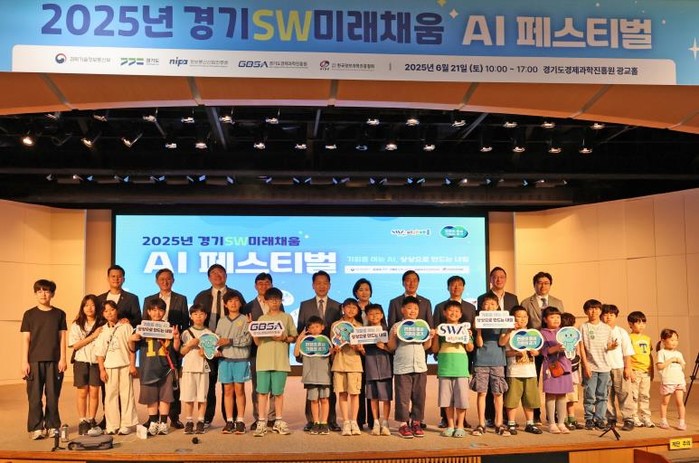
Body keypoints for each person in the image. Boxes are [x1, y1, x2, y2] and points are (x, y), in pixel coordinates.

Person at [193, 264, 246, 428]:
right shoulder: (201, 296)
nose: (217, 276)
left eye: (220, 272)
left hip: (230, 347)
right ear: (209, 277)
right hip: (208, 345)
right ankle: (207, 418)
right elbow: (195, 319)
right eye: (213, 273)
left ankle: (231, 419)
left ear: (226, 275)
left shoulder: (236, 295)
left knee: (230, 385)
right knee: (208, 383)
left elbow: (244, 318)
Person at [20, 279, 67, 440]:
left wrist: (63, 358)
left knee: (53, 396)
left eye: (46, 291)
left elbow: (62, 338)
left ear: (52, 294)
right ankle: (37, 427)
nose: (43, 294)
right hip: (34, 361)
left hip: (54, 361)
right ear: (35, 293)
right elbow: (26, 339)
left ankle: (53, 425)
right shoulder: (29, 314)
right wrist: (24, 361)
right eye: (39, 291)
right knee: (34, 396)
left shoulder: (59, 314)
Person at [143, 268, 189, 429]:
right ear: (157, 281)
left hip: (172, 346)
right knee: (154, 384)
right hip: (153, 348)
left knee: (172, 383)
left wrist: (179, 342)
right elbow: (144, 322)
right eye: (162, 279)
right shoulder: (149, 299)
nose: (165, 282)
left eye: (168, 279)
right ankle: (153, 418)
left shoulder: (181, 299)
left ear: (173, 280)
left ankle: (174, 417)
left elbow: (185, 323)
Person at [296, 271, 342, 432]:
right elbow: (301, 329)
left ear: (329, 285)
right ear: (313, 285)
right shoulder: (305, 305)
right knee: (312, 388)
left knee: (329, 387)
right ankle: (312, 420)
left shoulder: (337, 305)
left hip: (331, 352)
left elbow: (339, 329)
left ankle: (331, 420)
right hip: (311, 353)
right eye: (318, 283)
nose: (321, 286)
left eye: (325, 283)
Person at [129, 298, 181, 436]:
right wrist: (131, 339)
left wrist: (176, 338)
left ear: (164, 311)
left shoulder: (169, 328)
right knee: (150, 397)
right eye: (153, 310)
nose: (157, 313)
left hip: (166, 368)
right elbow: (132, 348)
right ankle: (153, 422)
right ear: (148, 311)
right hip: (148, 368)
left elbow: (176, 349)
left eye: (160, 310)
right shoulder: (141, 328)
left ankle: (163, 423)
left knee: (165, 396)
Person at [520, 271, 564, 424]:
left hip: (553, 348)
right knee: (534, 381)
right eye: (539, 282)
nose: (543, 285)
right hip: (534, 347)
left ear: (550, 285)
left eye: (546, 283)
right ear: (534, 284)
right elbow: (523, 325)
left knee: (555, 379)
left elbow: (561, 325)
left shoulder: (558, 302)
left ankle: (554, 415)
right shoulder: (526, 302)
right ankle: (536, 414)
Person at [387, 296, 434, 439]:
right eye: (409, 308)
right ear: (402, 310)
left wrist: (430, 337)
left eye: (415, 309)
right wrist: (393, 336)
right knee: (403, 396)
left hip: (420, 366)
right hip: (402, 367)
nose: (412, 311)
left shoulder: (422, 326)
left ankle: (416, 423)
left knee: (419, 396)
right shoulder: (397, 326)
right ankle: (403, 424)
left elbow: (426, 346)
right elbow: (391, 347)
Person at [253, 287, 298, 437]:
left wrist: (284, 338)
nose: (274, 302)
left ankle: (278, 421)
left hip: (280, 361)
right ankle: (261, 422)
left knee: (278, 393)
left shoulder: (287, 317)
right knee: (262, 393)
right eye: (271, 299)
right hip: (263, 361)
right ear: (265, 301)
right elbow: (257, 342)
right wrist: (253, 331)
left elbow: (293, 337)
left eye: (277, 299)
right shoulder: (261, 319)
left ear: (281, 301)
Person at [433, 275, 476, 428]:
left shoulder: (470, 307)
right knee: (445, 395)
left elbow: (471, 337)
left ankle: (461, 422)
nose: (456, 287)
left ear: (463, 287)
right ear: (448, 287)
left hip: (462, 359)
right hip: (445, 357)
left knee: (461, 394)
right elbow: (436, 330)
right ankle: (446, 420)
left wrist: (468, 337)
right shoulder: (439, 307)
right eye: (453, 284)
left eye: (459, 284)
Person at [477, 267, 518, 427]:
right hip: (483, 354)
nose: (498, 279)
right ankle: (487, 418)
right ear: (490, 279)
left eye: (502, 277)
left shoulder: (513, 298)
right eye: (495, 277)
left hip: (502, 349)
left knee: (499, 388)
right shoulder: (482, 297)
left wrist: (510, 329)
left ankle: (502, 419)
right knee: (483, 390)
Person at [242, 272, 283, 430]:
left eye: (267, 283)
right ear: (255, 286)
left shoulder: (278, 305)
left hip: (275, 350)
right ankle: (258, 418)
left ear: (271, 285)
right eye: (260, 283)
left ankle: (272, 417)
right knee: (258, 386)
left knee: (275, 386)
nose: (263, 286)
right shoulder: (248, 307)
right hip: (256, 351)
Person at [95, 300, 138, 436]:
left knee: (127, 395)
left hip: (125, 365)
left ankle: (126, 424)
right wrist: (101, 370)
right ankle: (112, 425)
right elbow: (100, 353)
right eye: (106, 311)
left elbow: (132, 348)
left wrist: (132, 365)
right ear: (103, 314)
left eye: (112, 310)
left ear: (117, 310)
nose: (109, 313)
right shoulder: (102, 330)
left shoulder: (126, 327)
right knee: (110, 396)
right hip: (109, 367)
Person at [470, 293, 510, 437]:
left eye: (492, 304)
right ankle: (481, 423)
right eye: (486, 304)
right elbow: (479, 343)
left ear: (497, 306)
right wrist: (479, 330)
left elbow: (502, 342)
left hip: (498, 360)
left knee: (498, 393)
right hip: (481, 360)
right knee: (481, 392)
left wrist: (509, 331)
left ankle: (499, 423)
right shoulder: (478, 320)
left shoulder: (502, 321)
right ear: (482, 306)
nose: (489, 307)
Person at [216, 291, 252, 435]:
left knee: (239, 390)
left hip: (240, 359)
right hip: (225, 360)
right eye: (230, 301)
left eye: (236, 300)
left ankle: (240, 420)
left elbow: (247, 340)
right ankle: (229, 421)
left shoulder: (246, 319)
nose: (233, 303)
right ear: (225, 304)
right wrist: (216, 349)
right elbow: (216, 339)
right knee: (227, 391)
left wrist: (229, 341)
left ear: (240, 303)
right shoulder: (221, 321)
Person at [502, 306, 542, 435]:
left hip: (530, 372)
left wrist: (535, 352)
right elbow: (503, 349)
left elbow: (538, 351)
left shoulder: (532, 334)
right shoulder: (509, 333)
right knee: (512, 399)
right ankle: (511, 423)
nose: (522, 319)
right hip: (514, 371)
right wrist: (515, 353)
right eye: (519, 316)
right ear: (513, 318)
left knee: (530, 399)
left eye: (525, 316)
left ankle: (530, 423)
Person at [68, 294, 105, 435]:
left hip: (96, 362)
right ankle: (82, 420)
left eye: (92, 305)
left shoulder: (102, 324)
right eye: (86, 305)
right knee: (82, 392)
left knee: (94, 392)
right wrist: (93, 336)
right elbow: (75, 345)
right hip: (81, 361)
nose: (89, 308)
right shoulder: (77, 324)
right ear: (82, 307)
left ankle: (91, 419)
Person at [331, 298, 365, 436]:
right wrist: (335, 348)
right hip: (339, 363)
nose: (351, 310)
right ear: (343, 308)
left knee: (355, 394)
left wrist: (359, 348)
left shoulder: (360, 327)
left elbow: (363, 349)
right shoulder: (335, 325)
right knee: (342, 393)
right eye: (348, 307)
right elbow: (333, 345)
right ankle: (346, 422)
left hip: (354, 364)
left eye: (354, 308)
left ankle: (354, 421)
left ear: (357, 310)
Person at [293, 315, 332, 436]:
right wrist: (300, 338)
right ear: (308, 329)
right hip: (310, 377)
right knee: (314, 400)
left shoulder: (326, 341)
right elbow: (296, 354)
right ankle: (316, 422)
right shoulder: (305, 342)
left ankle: (324, 423)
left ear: (322, 327)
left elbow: (332, 356)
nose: (314, 329)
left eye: (317, 326)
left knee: (324, 399)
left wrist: (333, 352)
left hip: (324, 376)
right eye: (312, 327)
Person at [179, 304, 213, 435]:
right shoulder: (186, 333)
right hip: (188, 368)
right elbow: (182, 351)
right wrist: (189, 345)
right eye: (195, 314)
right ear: (191, 316)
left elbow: (212, 353)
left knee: (202, 397)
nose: (198, 317)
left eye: (201, 314)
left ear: (205, 316)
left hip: (203, 369)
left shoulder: (209, 333)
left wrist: (205, 353)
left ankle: (200, 421)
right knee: (188, 396)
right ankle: (189, 421)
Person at [579, 299, 613, 430]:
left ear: (600, 311)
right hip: (590, 366)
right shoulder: (583, 327)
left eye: (597, 308)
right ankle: (589, 418)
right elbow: (581, 348)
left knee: (602, 395)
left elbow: (608, 346)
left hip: (605, 367)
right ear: (586, 311)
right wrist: (585, 365)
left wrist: (612, 346)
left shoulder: (607, 328)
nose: (594, 311)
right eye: (590, 309)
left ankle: (600, 418)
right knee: (590, 394)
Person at [601, 304, 635, 431]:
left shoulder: (621, 332)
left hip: (619, 367)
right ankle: (610, 419)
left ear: (616, 316)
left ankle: (629, 419)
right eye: (605, 314)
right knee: (606, 394)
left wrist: (628, 368)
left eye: (611, 315)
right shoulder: (599, 332)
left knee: (624, 393)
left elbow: (627, 352)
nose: (608, 317)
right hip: (603, 368)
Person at [540, 306, 573, 434]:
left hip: (565, 366)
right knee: (551, 395)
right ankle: (552, 423)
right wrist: (556, 348)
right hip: (551, 367)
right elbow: (542, 351)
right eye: (552, 317)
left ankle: (561, 423)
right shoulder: (542, 333)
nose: (556, 319)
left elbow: (572, 345)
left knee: (562, 395)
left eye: (558, 317)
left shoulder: (565, 331)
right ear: (545, 319)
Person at [363, 304, 392, 436]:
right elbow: (363, 352)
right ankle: (375, 422)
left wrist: (384, 347)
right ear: (367, 316)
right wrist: (361, 349)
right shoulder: (363, 332)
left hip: (386, 367)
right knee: (373, 397)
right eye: (371, 314)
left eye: (377, 313)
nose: (374, 316)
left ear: (381, 315)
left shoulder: (388, 330)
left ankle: (385, 422)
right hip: (370, 367)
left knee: (386, 397)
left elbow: (394, 349)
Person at [352, 278, 375, 430]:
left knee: (371, 386)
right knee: (358, 386)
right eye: (361, 289)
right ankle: (359, 420)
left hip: (372, 352)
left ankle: (373, 420)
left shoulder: (376, 308)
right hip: (355, 353)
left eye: (367, 289)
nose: (364, 292)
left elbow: (382, 327)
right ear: (356, 292)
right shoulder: (350, 308)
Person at [627, 311, 655, 428]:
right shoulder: (628, 338)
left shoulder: (647, 339)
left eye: (643, 322)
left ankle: (646, 417)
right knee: (634, 396)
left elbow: (649, 355)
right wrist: (629, 370)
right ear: (630, 324)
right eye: (638, 323)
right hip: (635, 371)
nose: (641, 325)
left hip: (646, 372)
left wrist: (652, 370)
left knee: (645, 395)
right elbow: (627, 355)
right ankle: (634, 416)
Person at [655, 329, 686, 430]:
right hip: (668, 381)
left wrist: (680, 362)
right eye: (672, 340)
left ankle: (682, 422)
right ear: (663, 341)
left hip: (679, 381)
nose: (674, 342)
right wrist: (671, 360)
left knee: (680, 402)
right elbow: (659, 366)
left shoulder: (679, 353)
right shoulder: (661, 352)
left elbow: (683, 367)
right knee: (665, 402)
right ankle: (663, 421)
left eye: (676, 340)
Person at [561, 312, 584, 430]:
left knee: (572, 396)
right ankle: (563, 419)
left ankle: (572, 418)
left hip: (573, 369)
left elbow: (578, 351)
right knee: (562, 396)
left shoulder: (575, 335)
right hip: (562, 370)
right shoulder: (559, 335)